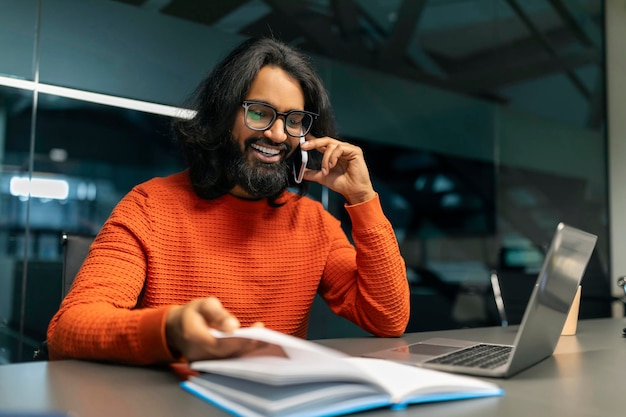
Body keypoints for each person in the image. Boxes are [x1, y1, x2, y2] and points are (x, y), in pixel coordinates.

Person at [47, 37, 410, 365]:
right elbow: (69, 327)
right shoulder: (149, 206)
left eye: (294, 120)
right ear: (223, 114)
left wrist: (362, 198)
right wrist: (171, 329)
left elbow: (388, 318)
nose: (278, 134)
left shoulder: (313, 223)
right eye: (259, 112)